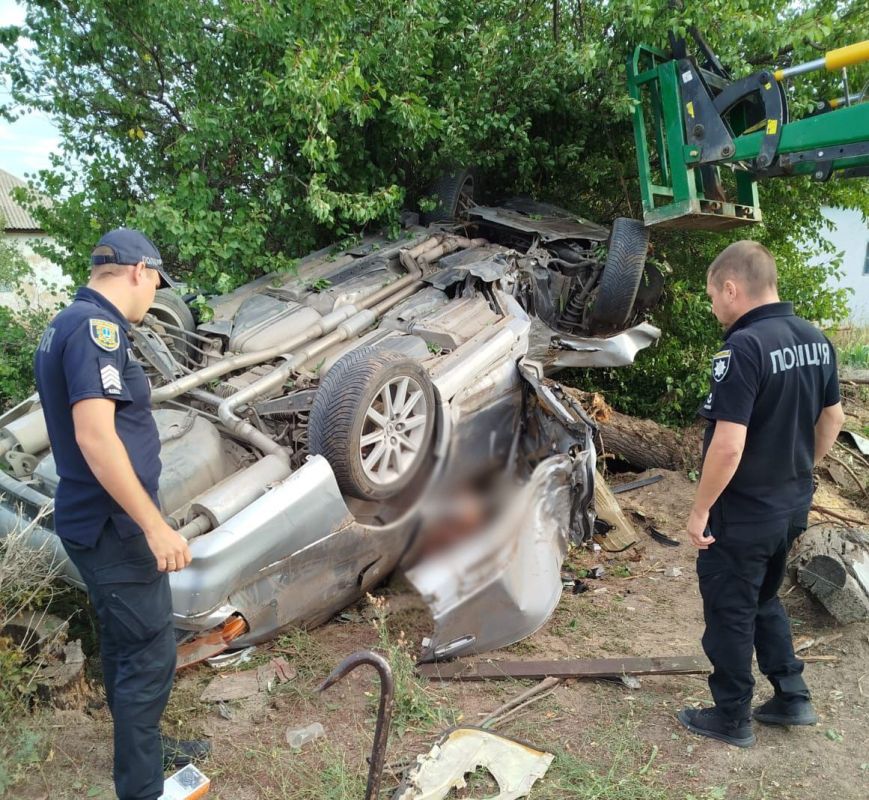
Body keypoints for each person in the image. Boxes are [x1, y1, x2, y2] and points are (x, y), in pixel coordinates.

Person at [34, 229, 209, 799]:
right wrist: (155, 526)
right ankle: (143, 787)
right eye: (156, 281)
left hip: (94, 522)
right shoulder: (95, 329)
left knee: (124, 642)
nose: (155, 293)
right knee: (149, 651)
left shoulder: (64, 321)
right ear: (138, 270)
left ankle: (146, 752)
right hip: (115, 529)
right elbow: (95, 436)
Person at [677, 240, 845, 748]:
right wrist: (797, 471)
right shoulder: (816, 339)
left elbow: (728, 446)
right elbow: (832, 418)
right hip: (791, 503)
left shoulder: (743, 349)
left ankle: (731, 716)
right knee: (764, 597)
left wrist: (700, 508)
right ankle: (792, 696)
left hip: (743, 512)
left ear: (732, 288)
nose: (712, 309)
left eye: (712, 297)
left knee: (730, 607)